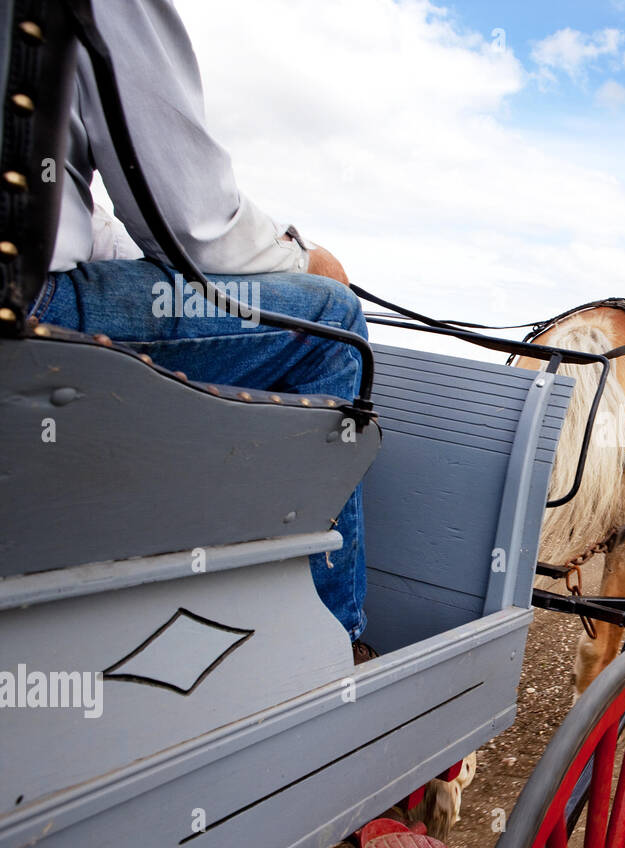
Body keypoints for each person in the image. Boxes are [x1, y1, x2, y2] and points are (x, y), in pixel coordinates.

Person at [25, 0, 369, 643]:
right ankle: (334, 635)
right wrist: (305, 258)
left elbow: (69, 214)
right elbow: (190, 220)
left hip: (41, 282)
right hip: (27, 307)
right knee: (333, 321)